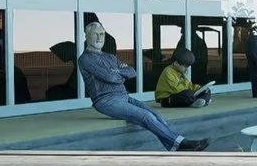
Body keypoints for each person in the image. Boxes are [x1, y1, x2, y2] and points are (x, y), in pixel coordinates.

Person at [79, 19, 207, 151]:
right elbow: (110, 77)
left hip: (124, 97)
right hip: (106, 101)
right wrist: (118, 73)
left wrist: (116, 72)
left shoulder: (110, 57)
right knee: (146, 117)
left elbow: (131, 71)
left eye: (102, 34)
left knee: (157, 116)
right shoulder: (85, 59)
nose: (100, 37)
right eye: (96, 34)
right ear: (87, 36)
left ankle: (174, 147)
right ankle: (183, 143)